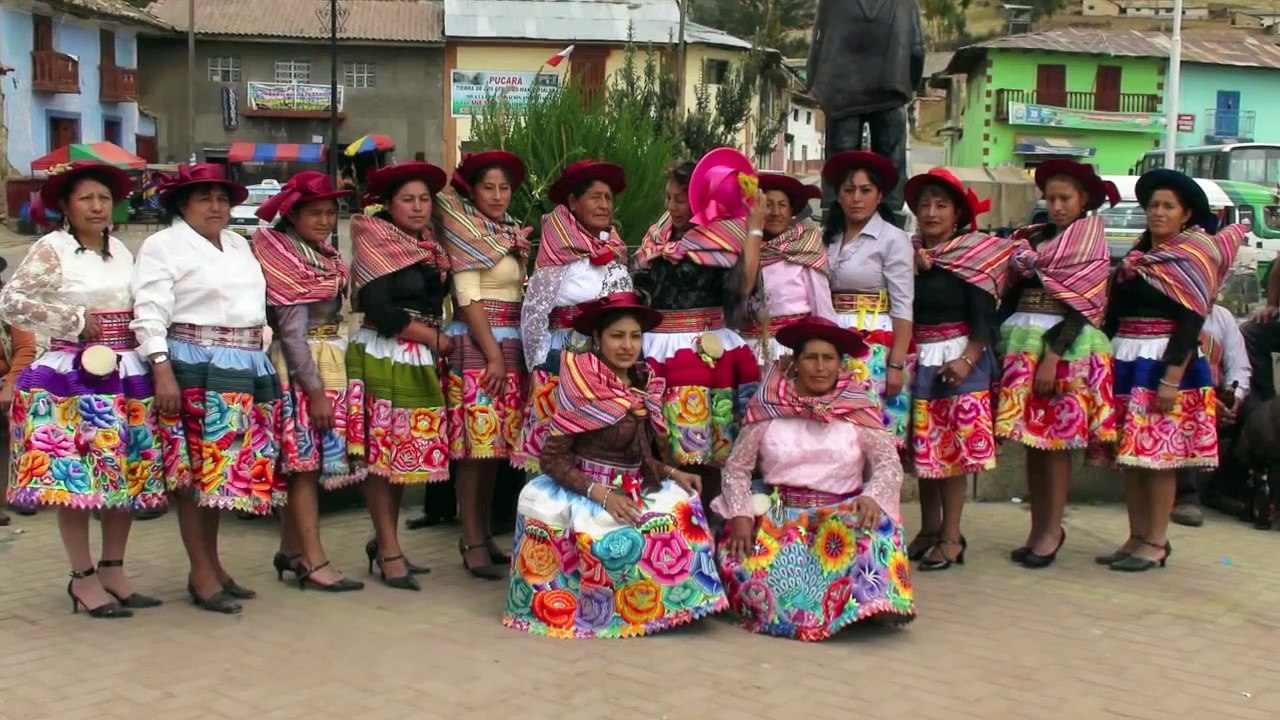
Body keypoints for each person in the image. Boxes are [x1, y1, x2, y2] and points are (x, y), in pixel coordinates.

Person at [503, 293, 726, 638]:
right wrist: (603, 495)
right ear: (597, 340)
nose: (627, 345)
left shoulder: (642, 384)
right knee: (607, 532)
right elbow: (552, 459)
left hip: (630, 485)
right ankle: (612, 609)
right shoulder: (581, 384)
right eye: (617, 336)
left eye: (634, 337)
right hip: (586, 489)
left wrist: (672, 472)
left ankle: (667, 604)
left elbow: (638, 456)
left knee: (684, 507)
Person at [0, 162, 165, 618]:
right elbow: (12, 301)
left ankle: (114, 568)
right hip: (71, 376)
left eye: (104, 199)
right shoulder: (51, 249)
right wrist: (73, 321)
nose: (97, 207)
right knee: (77, 477)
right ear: (65, 208)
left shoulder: (123, 252)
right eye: (86, 199)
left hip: (125, 373)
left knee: (126, 473)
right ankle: (82, 577)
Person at [131, 163, 285, 615]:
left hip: (245, 368)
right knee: (195, 476)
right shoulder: (163, 246)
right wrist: (161, 368)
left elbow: (254, 308)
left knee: (221, 475)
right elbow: (150, 308)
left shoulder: (239, 243)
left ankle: (214, 565)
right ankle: (200, 572)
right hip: (195, 366)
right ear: (183, 204)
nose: (217, 207)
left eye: (222, 198)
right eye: (205, 198)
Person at [714, 316, 915, 640]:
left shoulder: (858, 407)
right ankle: (834, 608)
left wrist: (872, 496)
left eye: (828, 359)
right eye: (811, 358)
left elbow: (888, 465)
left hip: (839, 517)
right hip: (779, 516)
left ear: (840, 364)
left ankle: (861, 603)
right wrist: (740, 514)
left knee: (880, 530)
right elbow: (737, 468)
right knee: (744, 562)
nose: (820, 367)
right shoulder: (768, 406)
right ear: (795, 363)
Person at [1100, 169, 1244, 572]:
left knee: (1160, 458)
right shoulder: (1136, 257)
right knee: (1130, 458)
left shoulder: (1193, 258)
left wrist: (1171, 379)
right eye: (1152, 206)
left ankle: (1157, 541)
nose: (1157, 213)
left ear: (1185, 215)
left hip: (1167, 363)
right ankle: (1135, 536)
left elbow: (1192, 320)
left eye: (1167, 207)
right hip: (1128, 358)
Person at [996, 160, 1117, 569]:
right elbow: (1011, 293)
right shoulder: (1029, 243)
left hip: (1065, 349)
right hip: (1021, 344)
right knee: (1032, 443)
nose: (1057, 205)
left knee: (1057, 443)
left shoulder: (1089, 243)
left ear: (1084, 201)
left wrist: (1052, 357)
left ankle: (1053, 530)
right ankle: (1037, 526)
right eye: (1051, 198)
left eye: (1066, 198)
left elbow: (1086, 306)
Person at [251, 171, 364, 592]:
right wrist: (315, 392)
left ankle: (291, 550)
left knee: (307, 465)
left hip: (328, 360)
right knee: (303, 467)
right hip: (302, 369)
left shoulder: (321, 254)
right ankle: (315, 560)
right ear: (292, 214)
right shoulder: (288, 260)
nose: (324, 220)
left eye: (330, 213)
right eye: (314, 212)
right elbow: (292, 333)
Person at [631, 150, 763, 504]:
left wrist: (754, 230)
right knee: (658, 443)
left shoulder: (721, 238)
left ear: (700, 198)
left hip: (702, 351)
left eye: (680, 199)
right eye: (669, 198)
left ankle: (710, 522)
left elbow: (742, 288)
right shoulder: (658, 236)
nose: (672, 207)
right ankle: (667, 528)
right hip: (656, 347)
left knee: (707, 448)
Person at [346, 161, 452, 591]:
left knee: (400, 456)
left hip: (420, 354)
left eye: (424, 199)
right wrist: (429, 335)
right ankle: (388, 549)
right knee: (380, 457)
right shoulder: (375, 240)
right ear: (389, 204)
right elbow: (376, 306)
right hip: (386, 352)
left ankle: (386, 544)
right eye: (407, 199)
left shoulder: (429, 244)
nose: (417, 207)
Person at [906, 168, 1010, 571]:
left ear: (957, 215)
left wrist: (967, 359)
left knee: (953, 454)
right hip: (923, 359)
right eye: (925, 205)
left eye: (941, 205)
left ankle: (952, 536)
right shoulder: (910, 256)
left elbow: (984, 315)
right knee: (926, 452)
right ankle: (929, 529)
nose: (931, 212)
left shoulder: (972, 255)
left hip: (959, 359)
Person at [436, 150, 532, 580]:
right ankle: (470, 537)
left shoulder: (509, 231)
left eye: (504, 187)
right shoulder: (466, 230)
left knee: (495, 449)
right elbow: (467, 295)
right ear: (472, 191)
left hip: (509, 346)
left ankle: (483, 536)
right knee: (475, 450)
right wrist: (492, 352)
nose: (497, 195)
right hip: (480, 345)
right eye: (488, 187)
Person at [513, 159, 633, 471]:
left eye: (608, 198)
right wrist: (540, 365)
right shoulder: (558, 251)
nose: (604, 205)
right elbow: (534, 314)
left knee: (598, 442)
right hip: (562, 357)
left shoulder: (614, 251)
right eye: (595, 197)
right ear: (573, 202)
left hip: (606, 358)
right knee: (555, 445)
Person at [823, 150, 915, 447]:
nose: (856, 198)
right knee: (835, 434)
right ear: (838, 195)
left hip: (874, 343)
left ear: (879, 196)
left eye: (865, 190)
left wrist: (896, 364)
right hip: (833, 340)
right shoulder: (828, 239)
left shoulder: (892, 239)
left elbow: (903, 303)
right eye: (849, 190)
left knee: (871, 434)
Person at [741, 172, 837, 363]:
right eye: (768, 204)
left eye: (782, 205)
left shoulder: (805, 245)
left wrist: (829, 349)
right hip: (747, 348)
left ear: (791, 210)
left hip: (791, 349)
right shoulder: (742, 247)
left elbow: (822, 303)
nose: (776, 212)